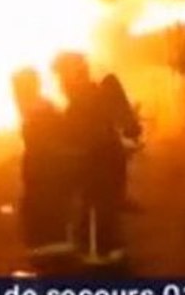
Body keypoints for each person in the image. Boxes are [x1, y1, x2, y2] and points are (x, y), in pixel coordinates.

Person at [52, 52, 139, 266]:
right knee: (102, 208)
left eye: (62, 76)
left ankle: (101, 257)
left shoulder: (85, 100)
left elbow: (82, 137)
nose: (60, 84)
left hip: (99, 161)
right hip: (105, 159)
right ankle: (108, 254)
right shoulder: (94, 95)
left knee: (96, 209)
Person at [11, 68, 78, 272]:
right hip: (45, 179)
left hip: (46, 179)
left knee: (47, 226)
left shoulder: (40, 112)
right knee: (47, 225)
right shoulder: (39, 109)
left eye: (17, 88)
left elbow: (50, 146)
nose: (14, 94)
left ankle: (54, 267)